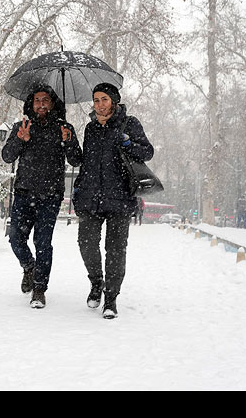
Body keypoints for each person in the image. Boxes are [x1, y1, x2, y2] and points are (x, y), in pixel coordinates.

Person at [72, 83, 154, 319]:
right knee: (86, 244)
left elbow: (147, 152)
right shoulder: (90, 128)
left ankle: (111, 297)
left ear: (114, 101)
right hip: (90, 198)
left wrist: (128, 142)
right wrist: (79, 189)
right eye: (96, 100)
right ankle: (96, 282)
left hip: (119, 198)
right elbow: (85, 163)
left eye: (104, 99)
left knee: (115, 250)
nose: (100, 104)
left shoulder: (130, 123)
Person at [2, 85, 82, 309]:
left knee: (43, 243)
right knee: (16, 239)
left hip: (50, 195)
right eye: (37, 100)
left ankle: (39, 288)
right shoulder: (22, 126)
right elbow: (7, 156)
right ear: (31, 104)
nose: (41, 104)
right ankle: (29, 266)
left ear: (53, 103)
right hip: (24, 193)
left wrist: (68, 141)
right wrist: (20, 140)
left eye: (45, 100)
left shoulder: (64, 128)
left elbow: (76, 160)